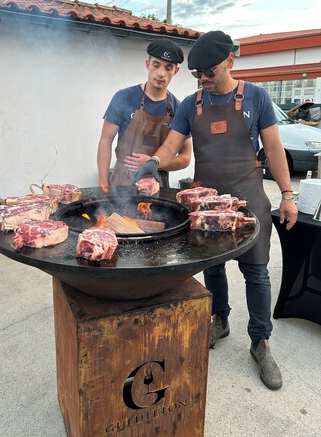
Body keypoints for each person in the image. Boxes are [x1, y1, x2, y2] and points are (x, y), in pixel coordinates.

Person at [132, 30, 298, 390]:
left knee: (256, 273)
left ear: (230, 62)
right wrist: (152, 162)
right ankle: (219, 320)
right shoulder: (192, 105)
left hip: (248, 196)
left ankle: (260, 341)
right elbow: (172, 144)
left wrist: (287, 194)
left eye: (210, 72)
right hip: (205, 198)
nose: (204, 80)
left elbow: (273, 149)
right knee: (213, 266)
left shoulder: (256, 97)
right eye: (197, 74)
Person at [97, 40, 192, 190]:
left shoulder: (178, 108)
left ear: (176, 71)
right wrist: (103, 184)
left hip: (157, 185)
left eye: (168, 68)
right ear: (147, 64)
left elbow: (185, 157)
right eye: (156, 65)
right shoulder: (124, 97)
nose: (161, 73)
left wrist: (154, 163)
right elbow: (105, 141)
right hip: (122, 183)